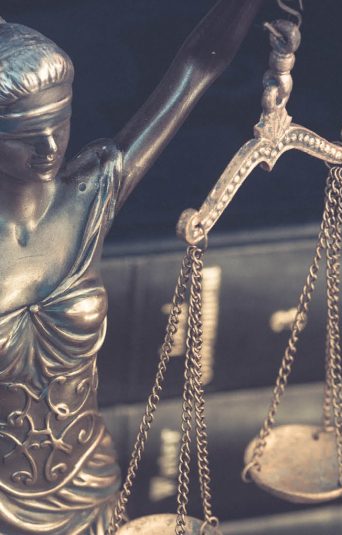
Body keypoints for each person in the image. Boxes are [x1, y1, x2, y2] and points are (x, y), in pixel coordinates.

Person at [0, 2, 263, 533]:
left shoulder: (87, 199)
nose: (50, 148)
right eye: (27, 136)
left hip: (88, 475)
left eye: (60, 123)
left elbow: (195, 69)